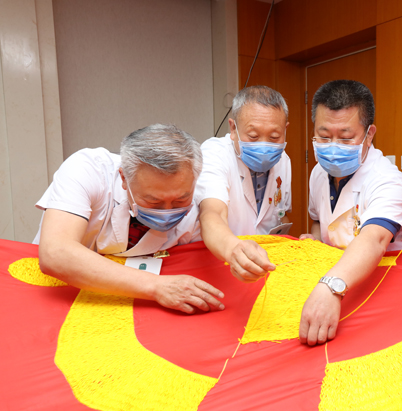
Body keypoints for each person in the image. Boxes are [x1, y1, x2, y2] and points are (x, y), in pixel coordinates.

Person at [34, 123, 225, 314]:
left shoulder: (201, 196)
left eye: (180, 200)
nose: (167, 211)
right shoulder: (88, 170)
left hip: (144, 307)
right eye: (153, 201)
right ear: (124, 178)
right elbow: (55, 254)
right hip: (65, 292)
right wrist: (157, 286)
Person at [299, 79, 402, 346]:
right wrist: (315, 243)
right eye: (324, 137)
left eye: (345, 137)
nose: (333, 147)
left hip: (380, 292)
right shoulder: (318, 173)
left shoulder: (387, 180)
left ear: (369, 134)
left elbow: (374, 239)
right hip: (333, 289)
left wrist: (331, 286)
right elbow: (318, 220)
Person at [197, 86, 292, 282]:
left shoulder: (283, 160)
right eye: (253, 136)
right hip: (223, 262)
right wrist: (234, 249)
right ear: (233, 128)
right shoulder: (214, 154)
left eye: (274, 137)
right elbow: (212, 213)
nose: (264, 145)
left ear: (285, 130)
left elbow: (281, 214)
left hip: (265, 266)